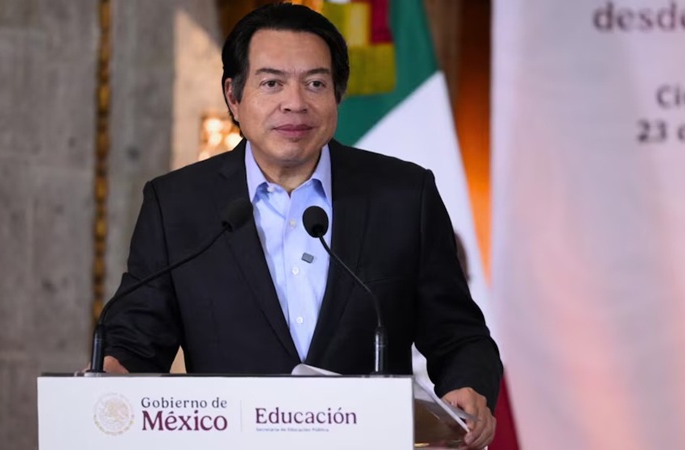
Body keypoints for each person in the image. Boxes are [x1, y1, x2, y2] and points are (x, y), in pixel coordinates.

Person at [102, 3, 501, 448]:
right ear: (234, 96)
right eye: (271, 83)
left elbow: (459, 336)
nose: (295, 103)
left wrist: (468, 386)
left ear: (337, 95)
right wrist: (112, 377)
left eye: (315, 83)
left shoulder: (403, 196)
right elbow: (136, 339)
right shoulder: (178, 204)